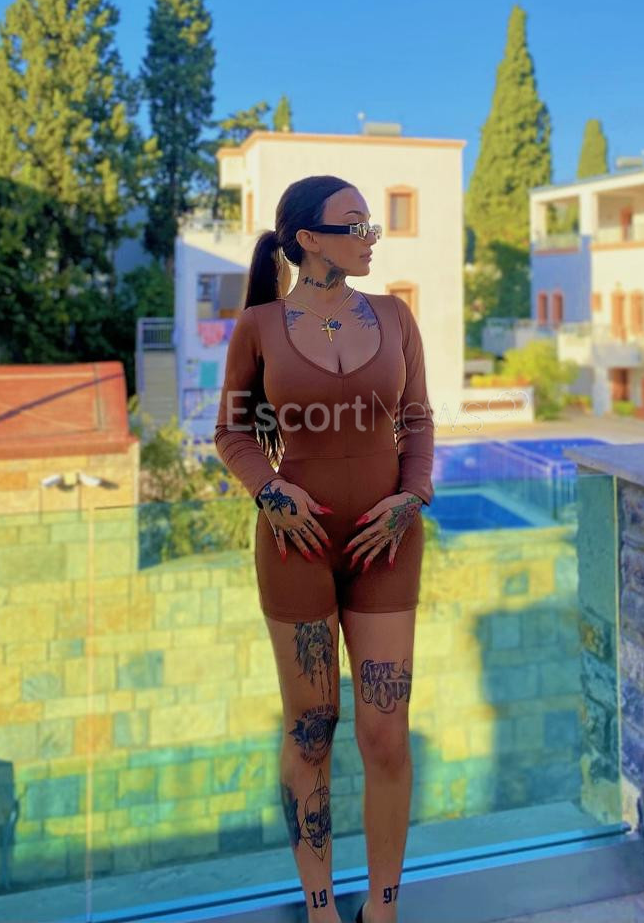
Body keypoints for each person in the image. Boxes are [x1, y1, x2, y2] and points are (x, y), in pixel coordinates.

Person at [213, 175, 435, 923]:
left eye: (372, 224)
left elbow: (418, 420)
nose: (371, 236)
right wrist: (270, 492)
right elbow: (232, 431)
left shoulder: (396, 316)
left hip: (387, 542)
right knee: (311, 731)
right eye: (355, 224)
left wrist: (412, 496)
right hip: (295, 544)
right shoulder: (259, 326)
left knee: (386, 730)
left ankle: (383, 908)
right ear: (309, 239)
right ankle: (320, 908)